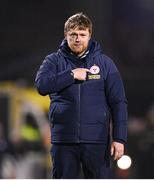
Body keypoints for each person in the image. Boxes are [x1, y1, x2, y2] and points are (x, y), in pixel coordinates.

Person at [35, 12, 128, 179]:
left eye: (82, 34)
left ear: (89, 35)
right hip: (63, 141)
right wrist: (71, 75)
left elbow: (119, 103)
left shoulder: (105, 64)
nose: (78, 39)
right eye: (73, 35)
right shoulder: (53, 61)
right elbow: (41, 86)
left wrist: (119, 138)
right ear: (66, 35)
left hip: (97, 142)